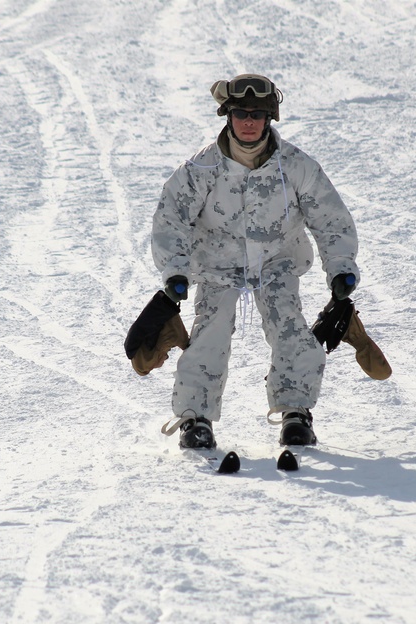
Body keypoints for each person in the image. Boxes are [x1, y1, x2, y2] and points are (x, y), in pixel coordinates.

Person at [152, 73, 360, 449]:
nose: (249, 122)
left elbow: (331, 220)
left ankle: (296, 414)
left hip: (277, 262)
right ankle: (195, 419)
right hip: (217, 264)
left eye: (258, 114)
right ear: (227, 117)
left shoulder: (297, 167)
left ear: (270, 118)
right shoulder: (200, 170)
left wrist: (341, 267)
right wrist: (175, 271)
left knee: (292, 331)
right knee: (209, 335)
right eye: (241, 113)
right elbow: (171, 219)